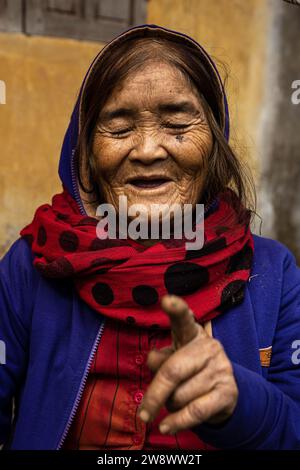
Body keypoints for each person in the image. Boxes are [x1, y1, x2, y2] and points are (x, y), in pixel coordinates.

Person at [0, 23, 300, 451]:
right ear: (84, 154)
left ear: (214, 145)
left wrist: (240, 399)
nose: (147, 150)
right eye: (119, 130)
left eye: (177, 124)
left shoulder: (273, 273)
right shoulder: (34, 265)